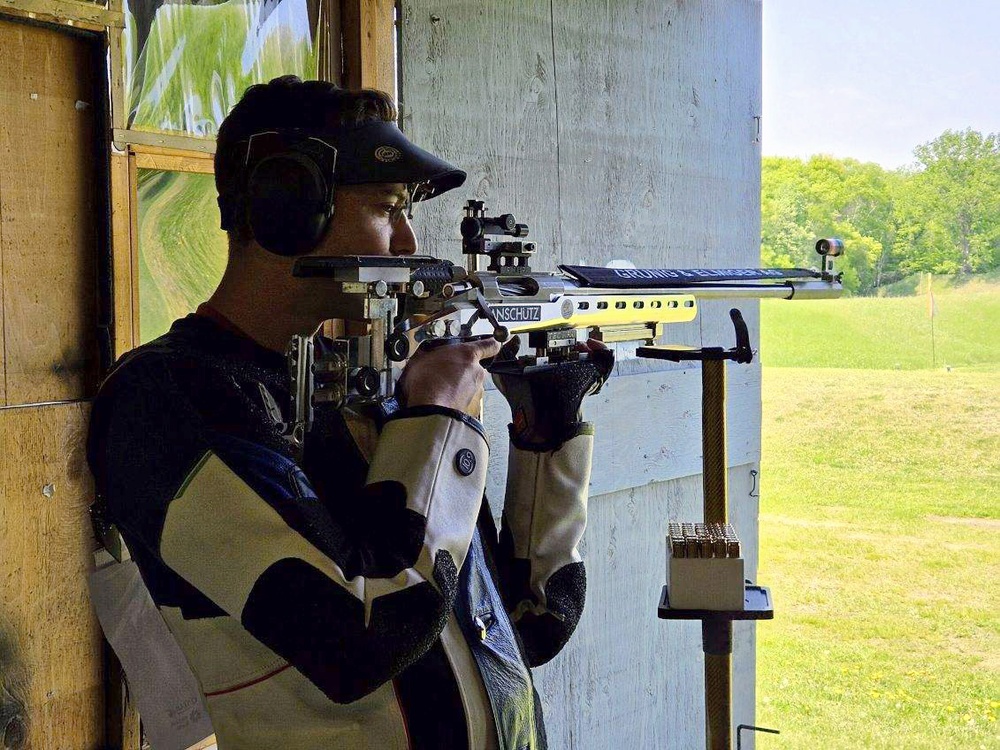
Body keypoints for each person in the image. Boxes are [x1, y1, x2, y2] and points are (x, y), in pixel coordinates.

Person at [87, 75, 612, 750]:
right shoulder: (167, 404)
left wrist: (550, 426)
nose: (405, 243)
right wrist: (441, 424)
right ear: (287, 205)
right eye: (389, 207)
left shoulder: (355, 397)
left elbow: (525, 623)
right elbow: (363, 637)